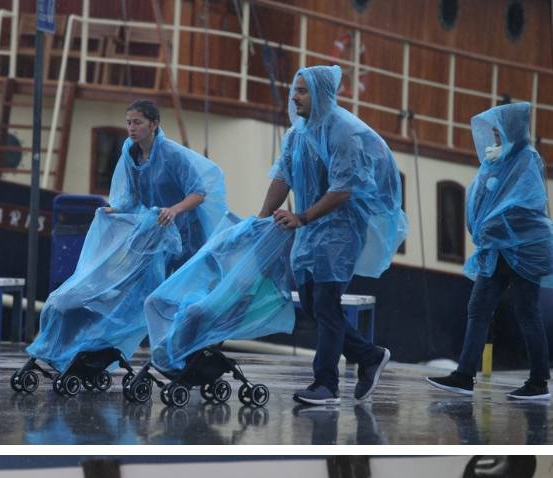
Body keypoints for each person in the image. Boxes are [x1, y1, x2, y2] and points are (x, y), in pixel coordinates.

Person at [258, 64, 408, 406]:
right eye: (294, 89)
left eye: (301, 90)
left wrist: (302, 217)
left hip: (340, 229)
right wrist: (261, 218)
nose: (294, 96)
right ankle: (369, 355)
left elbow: (343, 190)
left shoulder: (344, 133)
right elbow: (283, 176)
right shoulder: (297, 134)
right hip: (309, 228)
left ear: (322, 94)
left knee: (326, 303)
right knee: (311, 304)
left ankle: (325, 384)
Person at [427, 101, 553, 402]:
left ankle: (539, 382)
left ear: (514, 129)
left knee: (526, 313)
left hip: (523, 250)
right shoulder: (498, 158)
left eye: (500, 129)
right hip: (498, 248)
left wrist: (495, 225)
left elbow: (527, 203)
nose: (495, 135)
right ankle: (464, 375)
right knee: (479, 308)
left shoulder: (526, 159)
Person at [103, 100, 230, 271]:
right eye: (129, 123)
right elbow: (134, 197)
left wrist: (174, 210)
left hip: (186, 234)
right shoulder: (133, 157)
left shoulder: (173, 155)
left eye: (138, 122)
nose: (131, 128)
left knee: (181, 285)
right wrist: (115, 210)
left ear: (154, 124)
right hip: (157, 233)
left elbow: (198, 194)